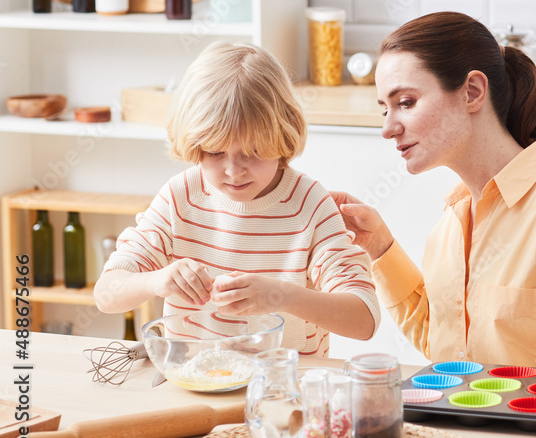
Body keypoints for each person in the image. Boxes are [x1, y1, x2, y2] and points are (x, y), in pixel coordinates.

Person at [333, 12, 536, 377]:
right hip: (463, 427)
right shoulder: (450, 226)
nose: (388, 128)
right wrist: (380, 246)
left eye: (406, 102)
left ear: (472, 92)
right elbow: (451, 347)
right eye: (384, 109)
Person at [95, 42, 379, 356]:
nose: (233, 171)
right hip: (195, 383)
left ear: (283, 137)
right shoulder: (180, 198)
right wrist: (156, 281)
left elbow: (364, 319)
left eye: (253, 153)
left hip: (283, 391)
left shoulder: (309, 206)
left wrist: (283, 296)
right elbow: (106, 295)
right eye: (215, 153)